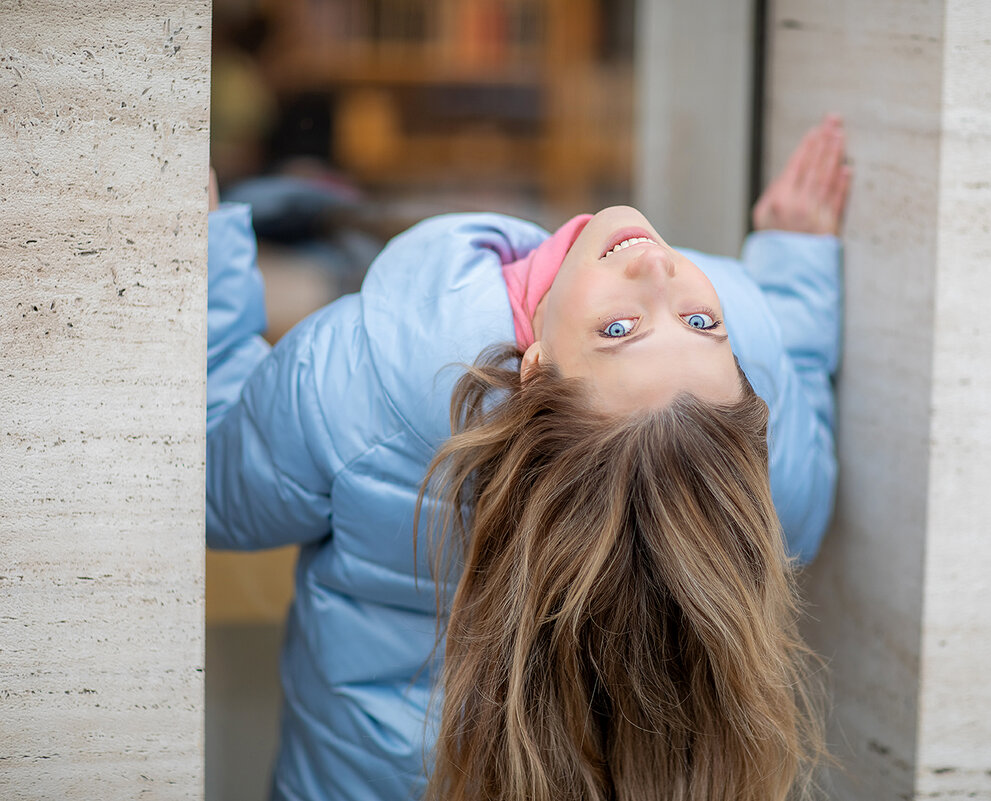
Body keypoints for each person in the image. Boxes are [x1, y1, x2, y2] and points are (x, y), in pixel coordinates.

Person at [206, 115, 850, 801]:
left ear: (537, 373)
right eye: (700, 324)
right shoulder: (743, 409)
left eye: (619, 329)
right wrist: (794, 272)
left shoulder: (353, 385)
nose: (657, 267)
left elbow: (217, 494)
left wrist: (209, 263)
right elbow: (796, 521)